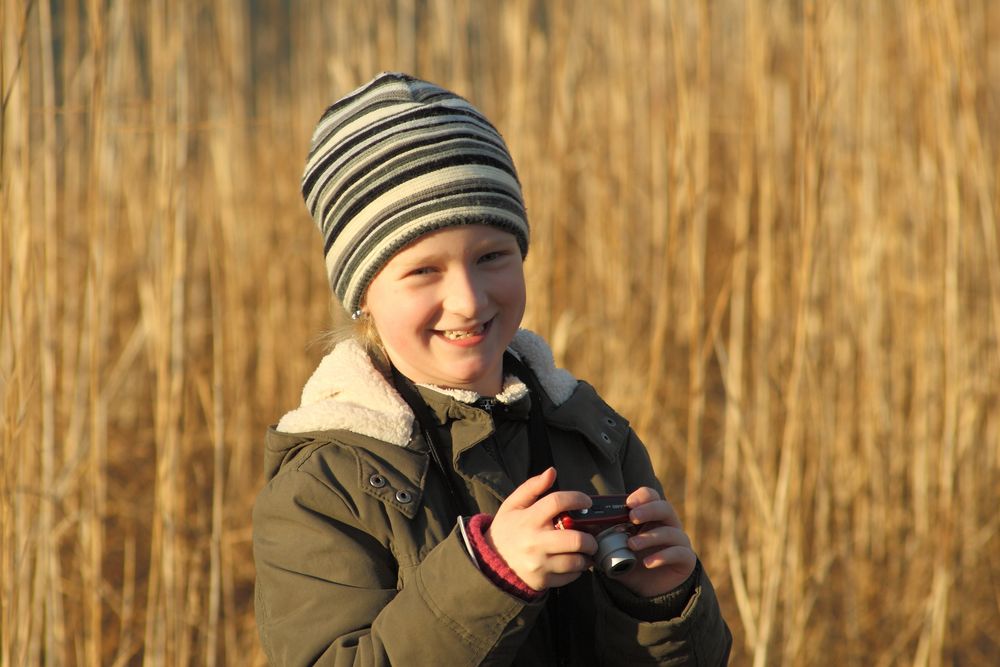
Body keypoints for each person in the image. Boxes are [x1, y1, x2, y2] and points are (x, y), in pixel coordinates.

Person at [253, 71, 732, 666]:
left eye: (492, 256)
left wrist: (663, 606)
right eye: (424, 271)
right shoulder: (326, 485)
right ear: (363, 293)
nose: (471, 300)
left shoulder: (591, 434)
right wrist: (488, 580)